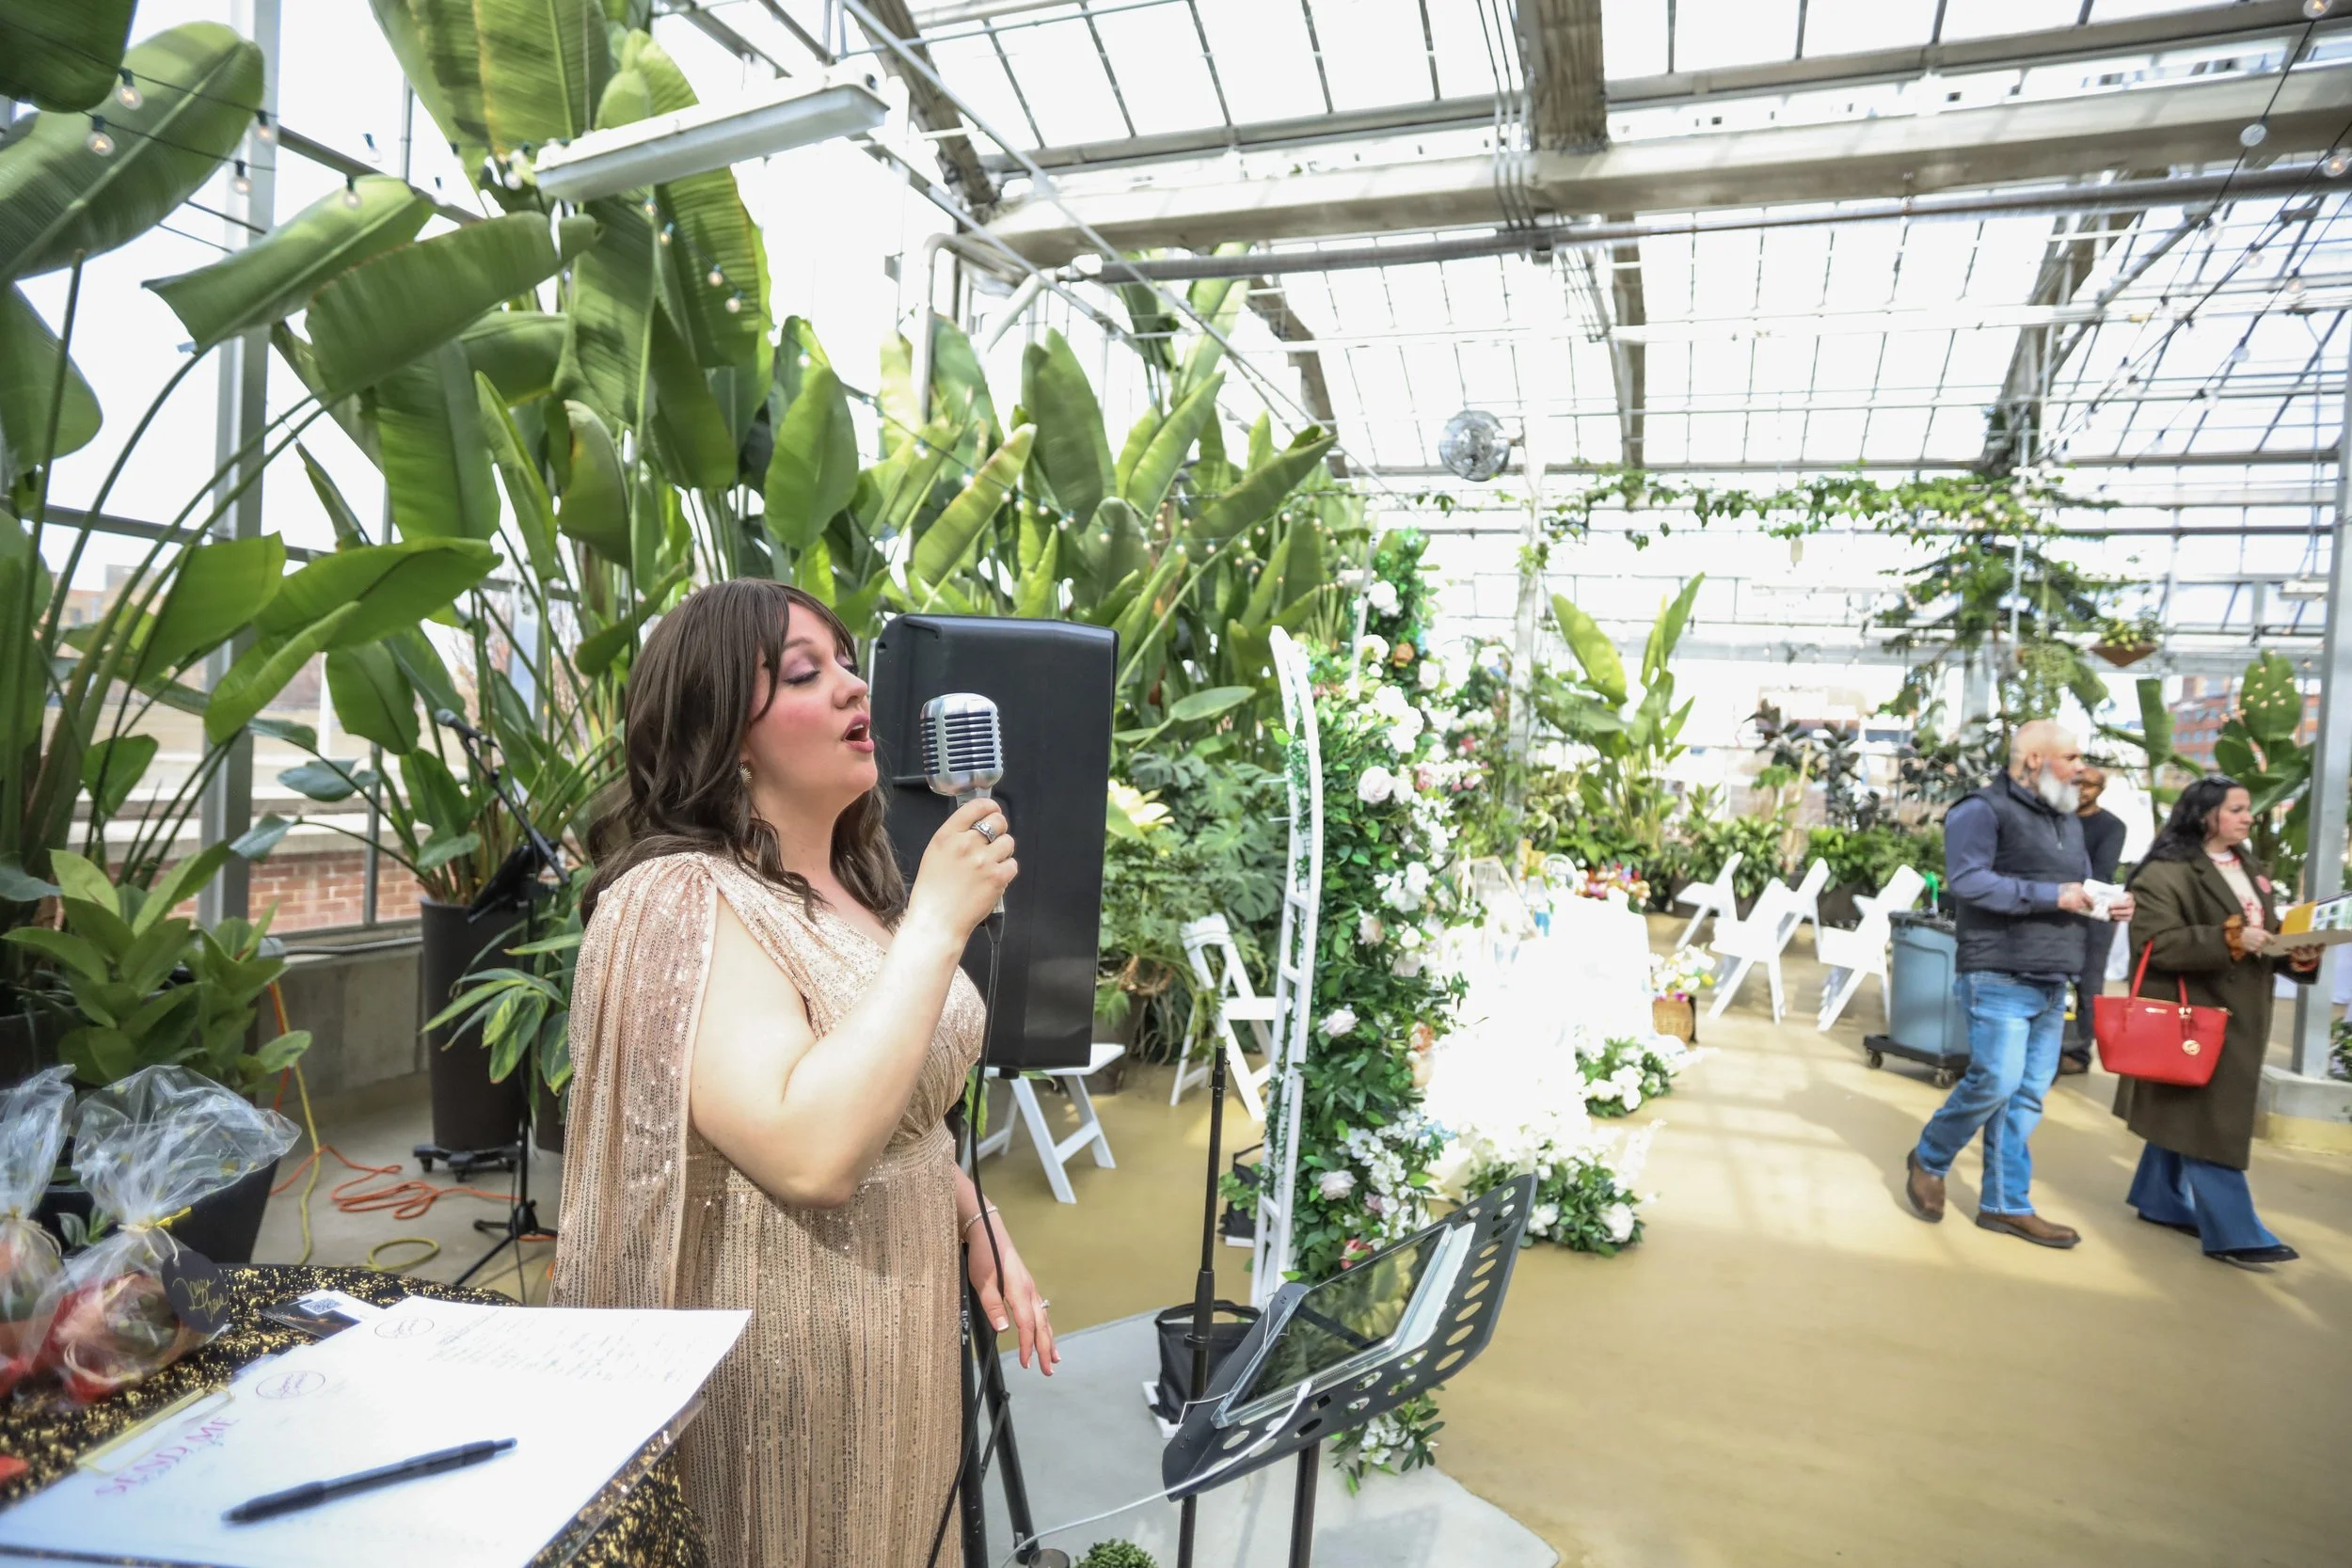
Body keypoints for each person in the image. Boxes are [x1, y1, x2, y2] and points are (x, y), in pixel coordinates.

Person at [550, 580, 1057, 1567]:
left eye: (846, 659)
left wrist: (964, 1203)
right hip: (788, 1378)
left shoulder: (863, 887)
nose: (849, 686)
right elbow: (809, 1149)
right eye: (801, 671)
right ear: (721, 730)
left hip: (903, 1341)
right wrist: (940, 925)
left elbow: (888, 1101)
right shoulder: (683, 894)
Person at [1901, 720, 2132, 1247]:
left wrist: (2106, 902)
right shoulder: (1981, 810)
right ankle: (1929, 1157)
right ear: (2033, 760)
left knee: (2026, 1095)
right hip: (1998, 970)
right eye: (2072, 757)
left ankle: (2005, 1204)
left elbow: (2071, 888)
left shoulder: (2067, 819)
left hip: (2054, 973)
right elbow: (1968, 880)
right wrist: (2055, 897)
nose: (2082, 768)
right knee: (1996, 1081)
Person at [2115, 775, 2320, 1269]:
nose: (2249, 817)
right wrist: (2228, 939)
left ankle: (2159, 1197)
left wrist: (2295, 954)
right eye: (2236, 809)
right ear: (2205, 815)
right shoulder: (2164, 873)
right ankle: (2234, 1231)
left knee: (2189, 1108)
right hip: (2195, 1015)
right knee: (2213, 1121)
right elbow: (2154, 945)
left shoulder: (2247, 866)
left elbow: (2261, 934)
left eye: (2247, 808)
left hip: (2239, 1012)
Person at [2059, 765, 2128, 1074]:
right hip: (2057, 907)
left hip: (2093, 913)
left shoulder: (2112, 826)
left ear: (2100, 790)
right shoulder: (2057, 818)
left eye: (2089, 785)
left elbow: (2102, 871)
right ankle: (2051, 1046)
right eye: (2077, 782)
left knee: (2089, 985)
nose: (2081, 789)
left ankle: (2079, 1053)